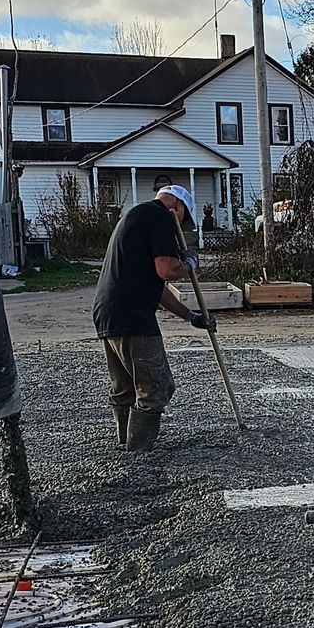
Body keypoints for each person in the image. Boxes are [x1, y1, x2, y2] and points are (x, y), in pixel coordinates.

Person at [91, 185, 215, 449]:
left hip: (109, 313)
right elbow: (167, 271)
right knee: (155, 387)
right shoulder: (161, 217)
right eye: (184, 218)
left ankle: (126, 444)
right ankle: (140, 452)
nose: (181, 225)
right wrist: (189, 263)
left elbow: (157, 288)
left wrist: (191, 317)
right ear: (178, 207)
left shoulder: (136, 216)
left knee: (125, 387)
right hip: (133, 317)